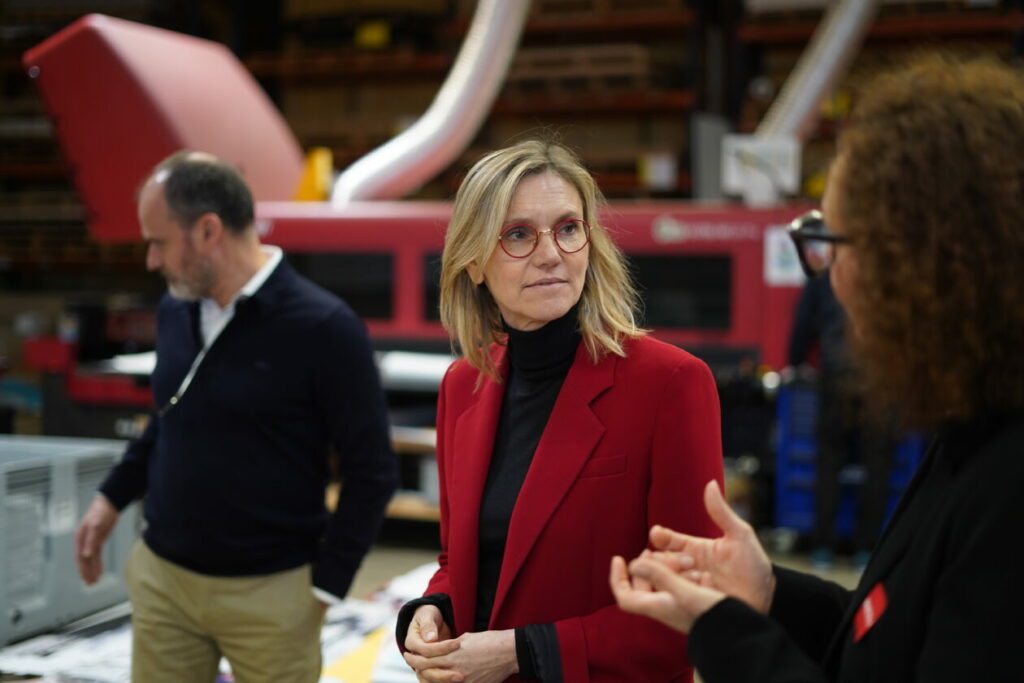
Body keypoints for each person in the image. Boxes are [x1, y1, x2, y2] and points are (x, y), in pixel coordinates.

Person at [610, 55, 1024, 682]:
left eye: (832, 242)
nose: (829, 276)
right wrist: (769, 593)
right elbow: (887, 639)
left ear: (923, 264)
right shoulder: (971, 429)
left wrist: (726, 636)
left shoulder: (1007, 487)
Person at [397, 140, 724, 683]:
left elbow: (693, 607)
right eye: (518, 234)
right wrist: (435, 608)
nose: (551, 254)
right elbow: (462, 562)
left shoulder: (670, 383)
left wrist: (521, 652)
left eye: (568, 229)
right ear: (473, 262)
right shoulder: (463, 386)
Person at [73, 151, 399, 683]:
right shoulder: (175, 309)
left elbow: (373, 471)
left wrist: (325, 587)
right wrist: (110, 499)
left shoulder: (324, 328)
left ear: (208, 231)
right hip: (164, 582)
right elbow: (169, 418)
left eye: (158, 242)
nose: (151, 261)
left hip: (272, 593)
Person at [787, 270, 896, 570]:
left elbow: (802, 326)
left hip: (835, 376)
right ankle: (868, 551)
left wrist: (796, 364)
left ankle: (823, 548)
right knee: (877, 464)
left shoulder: (826, 277)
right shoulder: (889, 274)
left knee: (829, 461)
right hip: (879, 379)